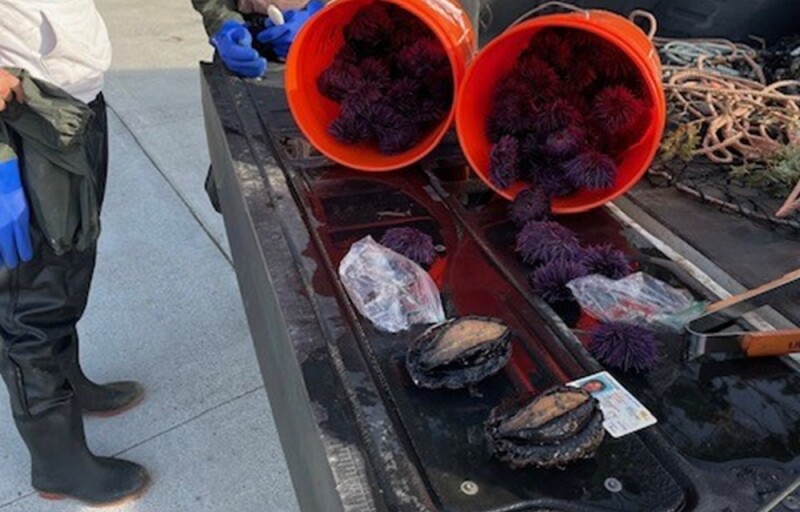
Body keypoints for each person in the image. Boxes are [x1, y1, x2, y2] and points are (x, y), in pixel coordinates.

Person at [0, 2, 149, 506]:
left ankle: (69, 382)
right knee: (30, 301)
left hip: (69, 108)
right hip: (21, 123)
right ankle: (57, 462)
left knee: (68, 263)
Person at [192, 0, 324, 211]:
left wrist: (323, 15)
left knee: (323, 186)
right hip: (246, 43)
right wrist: (224, 23)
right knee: (236, 190)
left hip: (326, 43)